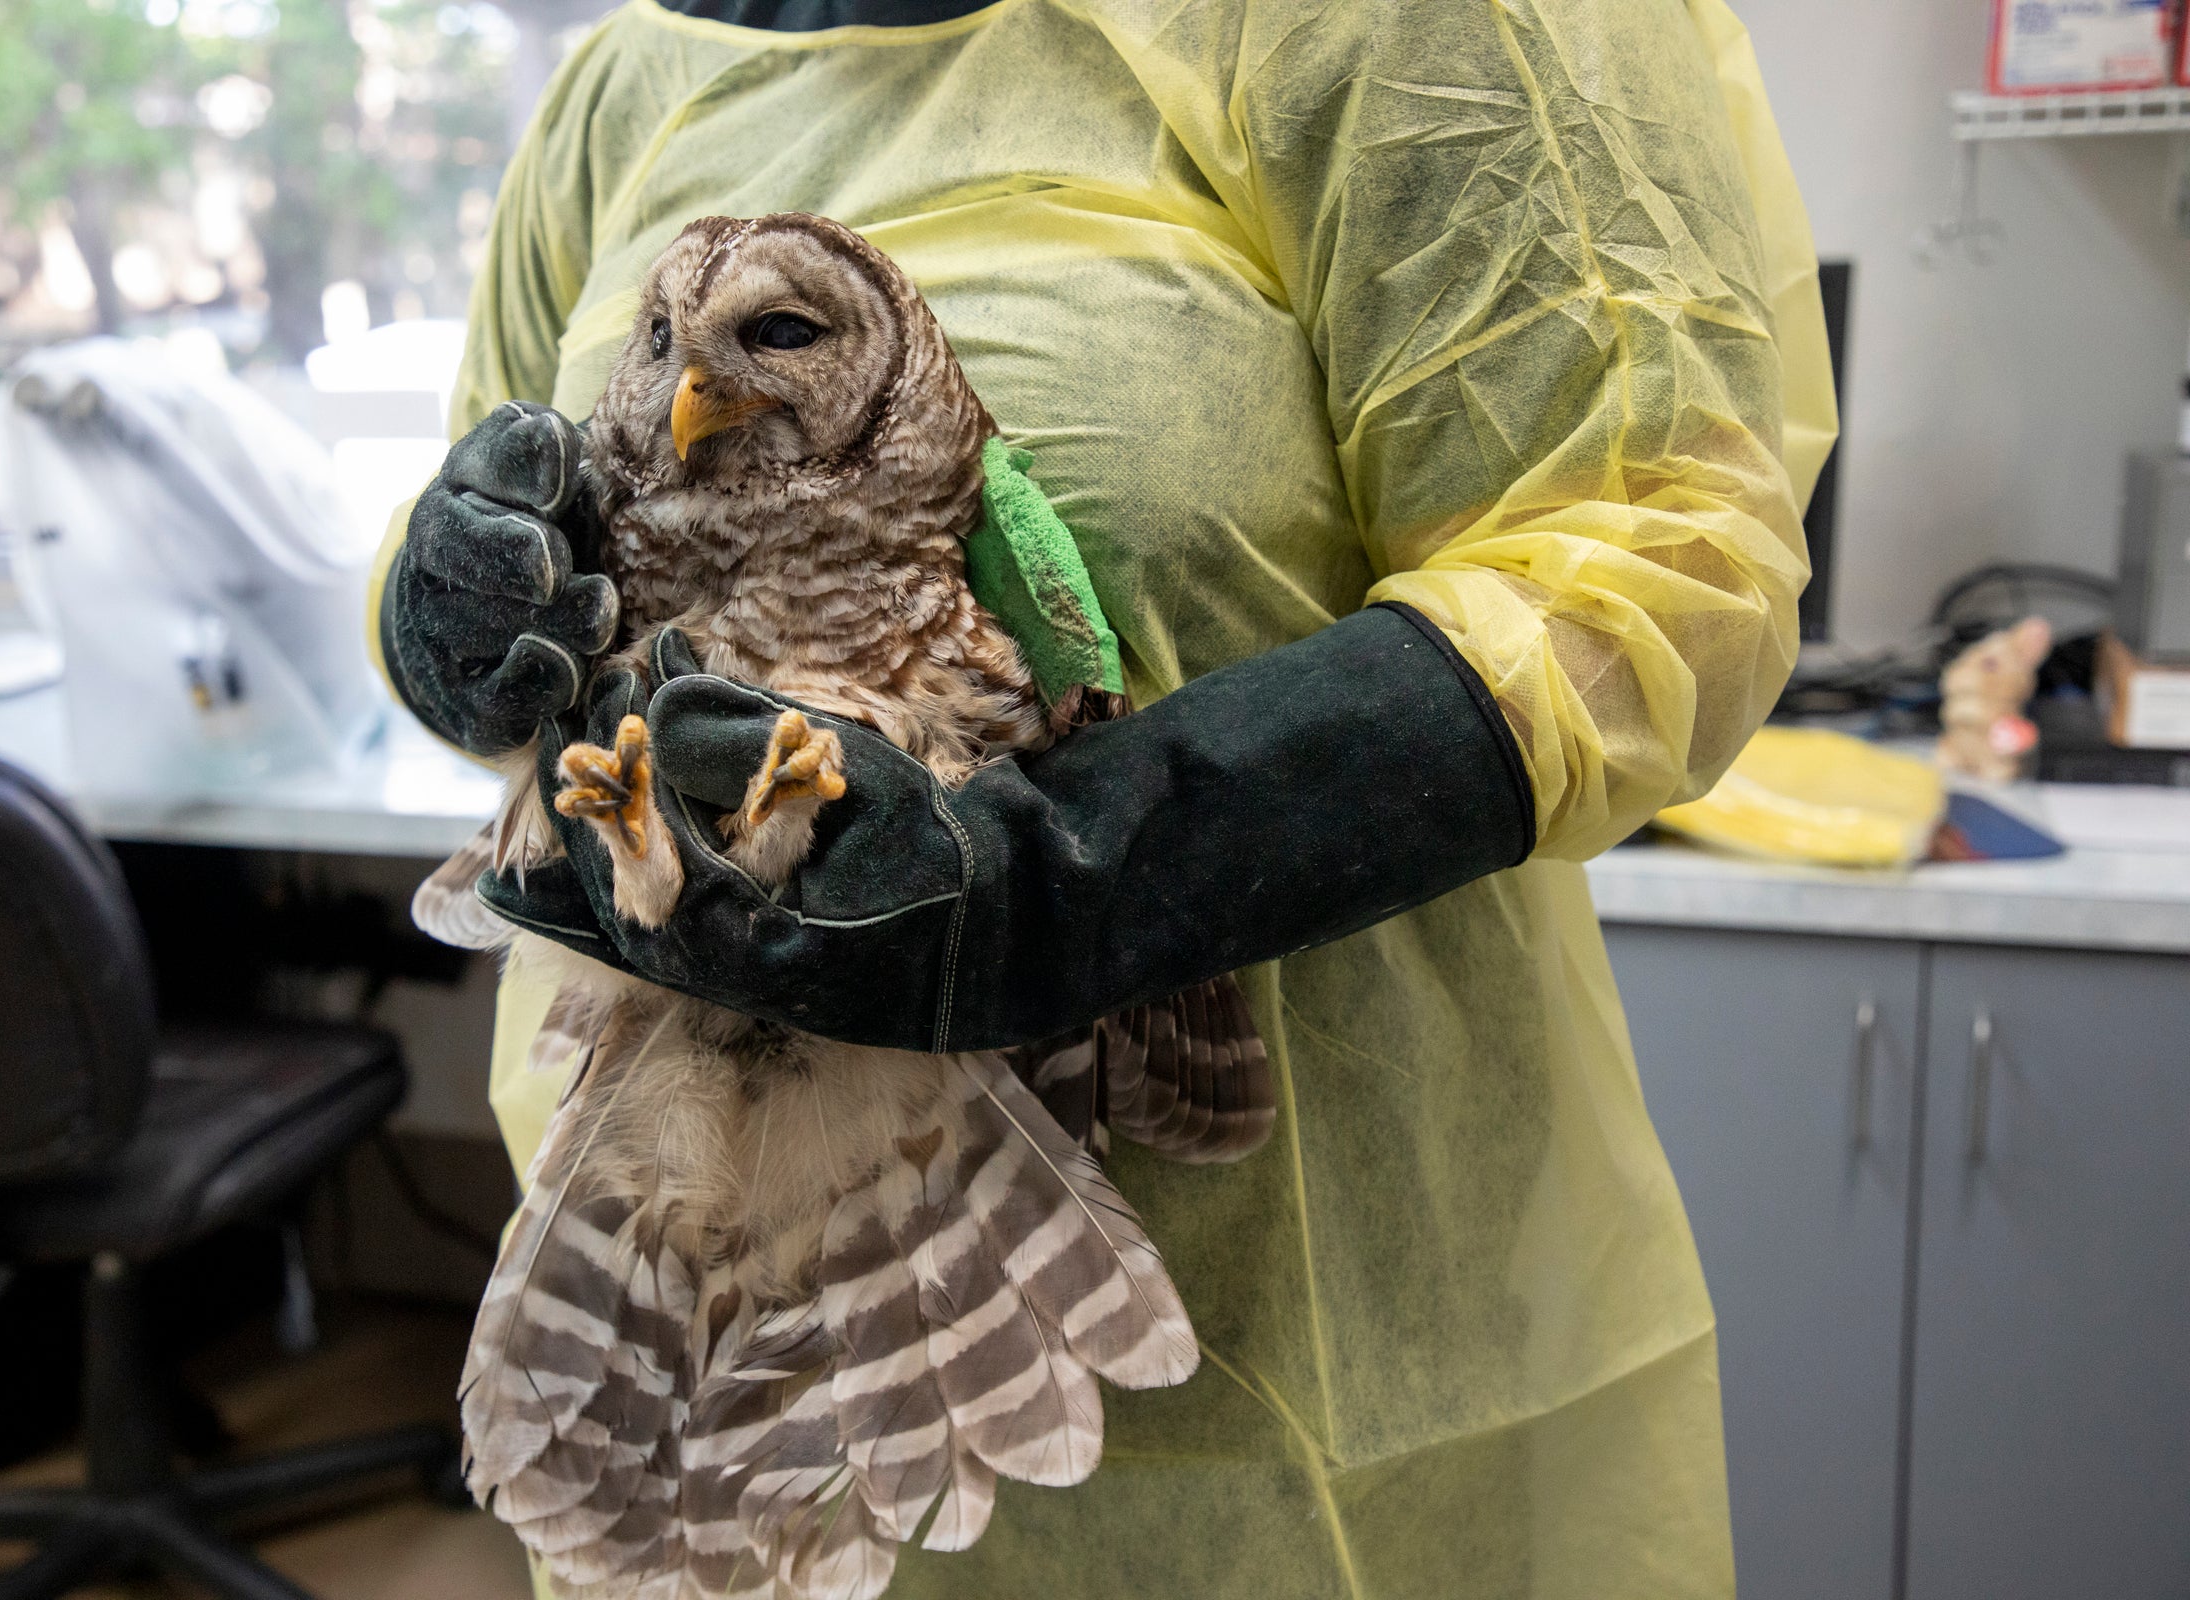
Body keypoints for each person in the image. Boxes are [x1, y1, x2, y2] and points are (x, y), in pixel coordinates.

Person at [370, 0, 1835, 1592]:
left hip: (1291, 1313)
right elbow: (509, 499)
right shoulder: (616, 85)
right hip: (699, 1207)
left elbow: (1659, 554)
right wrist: (450, 620)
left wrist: (1098, 866)